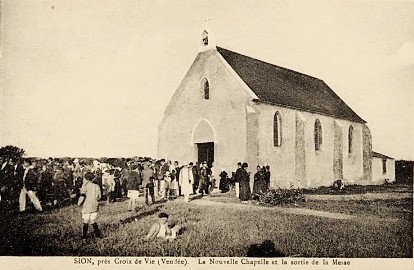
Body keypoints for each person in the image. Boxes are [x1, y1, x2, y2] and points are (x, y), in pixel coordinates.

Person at [78, 172, 102, 240]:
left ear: (86, 178)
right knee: (93, 220)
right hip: (95, 204)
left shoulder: (85, 186)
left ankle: (84, 237)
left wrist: (79, 203)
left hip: (87, 204)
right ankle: (97, 235)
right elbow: (99, 197)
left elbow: (82, 196)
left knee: (85, 221)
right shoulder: (96, 186)